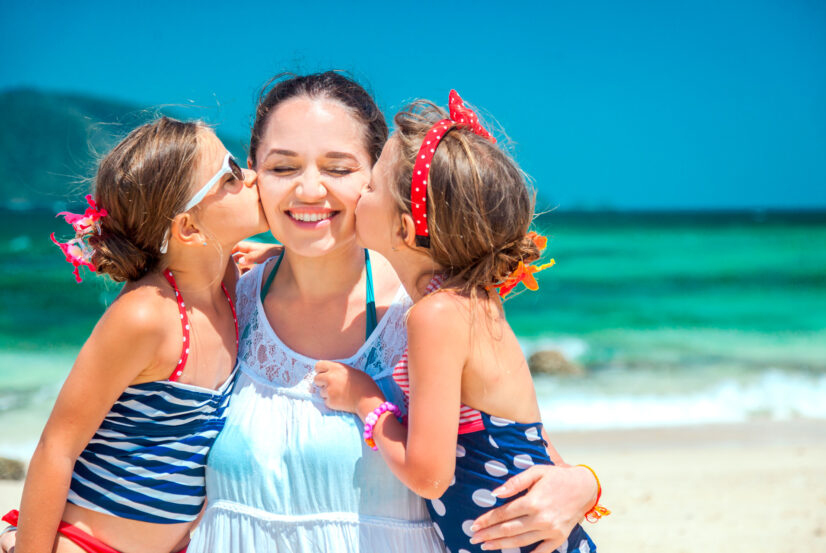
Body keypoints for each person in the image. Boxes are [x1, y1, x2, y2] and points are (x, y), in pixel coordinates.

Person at [189, 73, 600, 553]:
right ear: (253, 174)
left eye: (339, 169)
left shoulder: (428, 310)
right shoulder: (221, 299)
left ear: (375, 179)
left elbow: (522, 442)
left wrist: (584, 485)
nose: (309, 190)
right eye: (283, 168)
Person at [313, 90, 608, 553]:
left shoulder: (435, 316)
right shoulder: (473, 301)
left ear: (404, 231)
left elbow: (430, 476)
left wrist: (364, 400)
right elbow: (524, 433)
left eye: (370, 187)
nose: (357, 194)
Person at [0, 117, 267, 553]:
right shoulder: (147, 315)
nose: (254, 175)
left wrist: (280, 253)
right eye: (232, 174)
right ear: (188, 229)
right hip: (84, 543)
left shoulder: (231, 285)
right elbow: (57, 447)